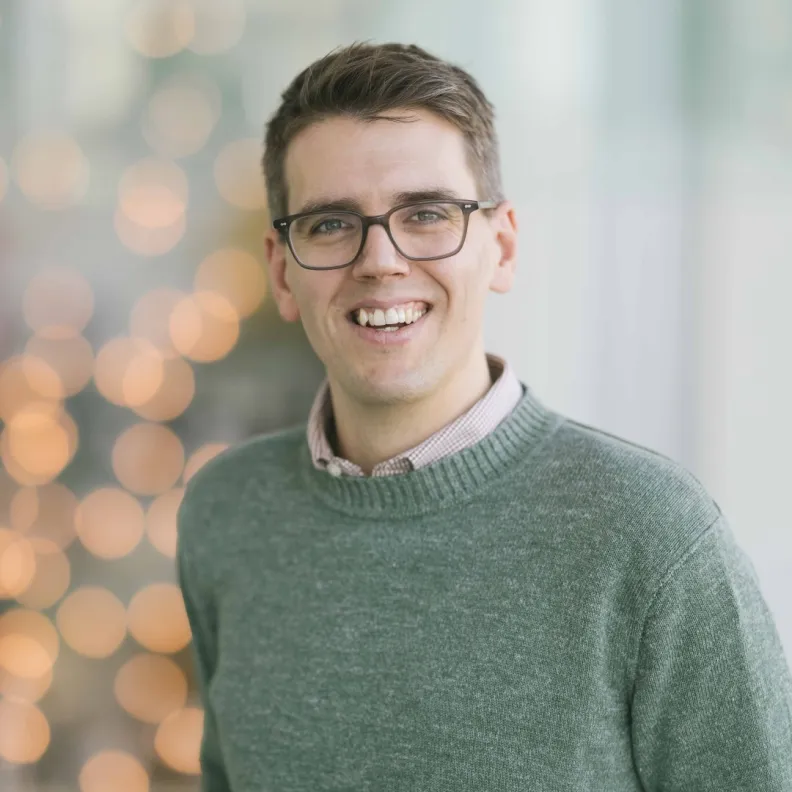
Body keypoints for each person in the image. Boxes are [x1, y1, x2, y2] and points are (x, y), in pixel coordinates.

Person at [176, 42, 792, 791]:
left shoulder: (653, 536)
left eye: (427, 213)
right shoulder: (227, 514)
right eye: (333, 224)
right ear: (281, 270)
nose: (380, 261)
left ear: (500, 248)